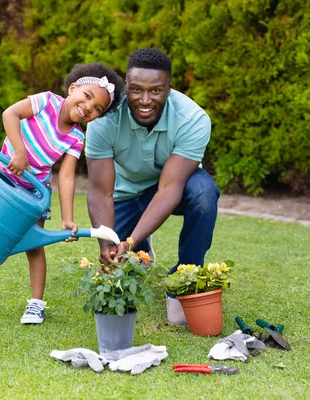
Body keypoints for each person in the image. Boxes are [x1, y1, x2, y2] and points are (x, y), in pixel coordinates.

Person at [0, 62, 124, 325]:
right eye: (87, 97)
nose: (88, 108)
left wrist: (67, 218)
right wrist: (20, 152)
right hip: (3, 183)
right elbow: (9, 114)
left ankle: (36, 305)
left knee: (34, 246)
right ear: (73, 88)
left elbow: (66, 176)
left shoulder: (76, 138)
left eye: (96, 109)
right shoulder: (45, 102)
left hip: (35, 195)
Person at [85, 48, 220, 325]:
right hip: (126, 193)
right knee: (121, 266)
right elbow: (100, 191)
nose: (145, 100)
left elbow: (170, 188)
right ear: (126, 86)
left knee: (205, 194)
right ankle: (142, 247)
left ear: (169, 89)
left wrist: (130, 241)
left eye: (156, 91)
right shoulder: (103, 118)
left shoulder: (193, 119)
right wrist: (107, 242)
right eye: (136, 90)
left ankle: (186, 274)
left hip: (175, 188)